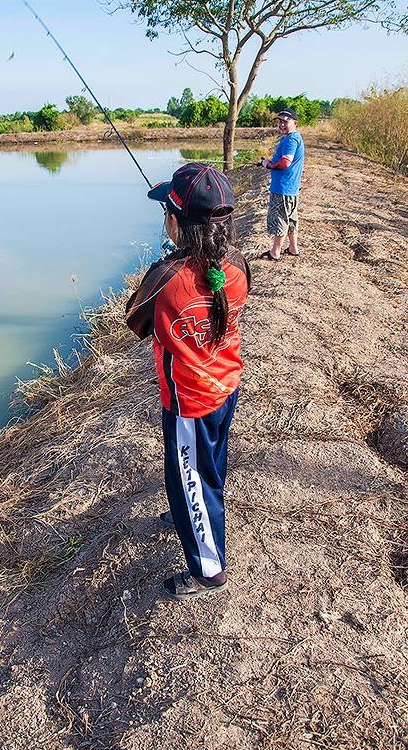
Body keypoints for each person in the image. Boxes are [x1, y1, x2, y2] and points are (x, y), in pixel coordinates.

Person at [125, 162, 250, 601]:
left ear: (176, 222)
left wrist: (167, 262)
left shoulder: (165, 279)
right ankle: (187, 510)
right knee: (204, 467)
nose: (164, 218)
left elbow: (134, 322)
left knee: (191, 478)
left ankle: (209, 571)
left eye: (166, 212)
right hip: (225, 384)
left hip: (188, 402)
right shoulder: (237, 265)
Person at [259, 108, 305, 261]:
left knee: (280, 219)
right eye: (280, 121)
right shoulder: (294, 137)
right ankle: (293, 248)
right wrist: (269, 163)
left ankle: (275, 252)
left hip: (283, 188)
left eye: (286, 121)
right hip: (290, 188)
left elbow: (286, 162)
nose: (282, 124)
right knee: (291, 219)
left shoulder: (291, 140)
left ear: (295, 123)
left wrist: (269, 165)